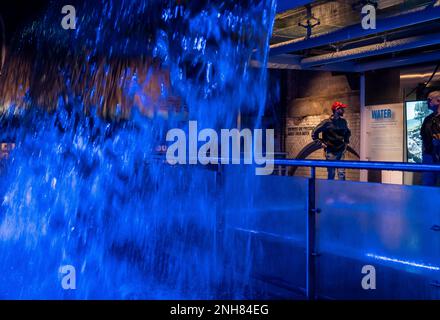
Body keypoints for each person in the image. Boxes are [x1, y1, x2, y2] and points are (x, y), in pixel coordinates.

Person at [312, 101, 351, 180]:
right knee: (331, 173)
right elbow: (314, 133)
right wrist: (320, 143)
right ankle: (330, 191)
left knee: (341, 173)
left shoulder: (343, 122)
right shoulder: (326, 123)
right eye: (341, 109)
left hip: (341, 151)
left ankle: (342, 191)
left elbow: (347, 132)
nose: (343, 110)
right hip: (330, 152)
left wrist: (346, 143)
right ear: (336, 110)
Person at [420, 91, 440, 186]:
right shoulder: (427, 119)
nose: (427, 102)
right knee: (428, 185)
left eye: (429, 99)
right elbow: (423, 137)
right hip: (429, 157)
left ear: (438, 100)